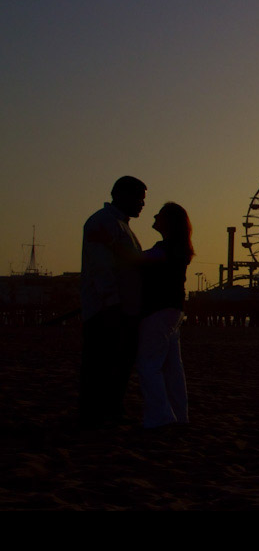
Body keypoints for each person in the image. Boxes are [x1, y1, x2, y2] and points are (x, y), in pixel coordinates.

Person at [79, 176, 146, 428]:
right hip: (107, 307)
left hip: (123, 305)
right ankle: (95, 414)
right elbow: (101, 266)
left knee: (117, 362)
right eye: (139, 199)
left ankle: (109, 409)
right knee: (101, 362)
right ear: (122, 196)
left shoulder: (121, 224)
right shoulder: (103, 222)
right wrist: (111, 301)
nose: (142, 205)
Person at [136, 202, 194, 429]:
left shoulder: (167, 249)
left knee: (149, 364)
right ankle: (180, 416)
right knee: (173, 368)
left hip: (157, 310)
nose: (154, 216)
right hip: (175, 311)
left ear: (169, 222)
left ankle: (160, 418)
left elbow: (137, 260)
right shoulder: (179, 249)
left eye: (159, 214)